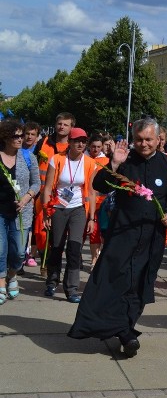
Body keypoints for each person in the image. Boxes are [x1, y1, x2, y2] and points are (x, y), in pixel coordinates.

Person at [68, 119, 167, 357]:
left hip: (152, 236)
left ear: (158, 139)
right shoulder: (125, 161)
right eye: (139, 139)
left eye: (148, 139)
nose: (143, 144)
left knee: (141, 283)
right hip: (123, 233)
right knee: (117, 280)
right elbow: (100, 185)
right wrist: (115, 164)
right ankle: (124, 332)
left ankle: (126, 327)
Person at [41, 127, 98, 303]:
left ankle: (72, 289)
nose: (80, 144)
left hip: (78, 209)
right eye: (76, 141)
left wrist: (91, 218)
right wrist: (46, 212)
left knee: (74, 249)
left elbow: (91, 191)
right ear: (70, 143)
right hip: (58, 208)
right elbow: (48, 187)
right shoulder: (57, 159)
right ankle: (52, 282)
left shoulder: (90, 163)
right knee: (57, 247)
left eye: (83, 141)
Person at [0, 121, 40, 304]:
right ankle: (1, 282)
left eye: (21, 135)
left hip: (21, 213)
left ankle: (12, 274)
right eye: (15, 136)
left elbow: (36, 183)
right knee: (0, 250)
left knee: (18, 253)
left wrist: (26, 198)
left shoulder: (28, 157)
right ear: (5, 137)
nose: (20, 139)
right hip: (0, 211)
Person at [33, 112, 75, 271]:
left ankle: (51, 263)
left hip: (64, 197)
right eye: (59, 124)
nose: (61, 127)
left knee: (58, 232)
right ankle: (45, 255)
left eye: (65, 124)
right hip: (42, 194)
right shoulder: (43, 143)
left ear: (72, 127)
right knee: (42, 232)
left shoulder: (74, 147)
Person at [85, 133, 110, 270]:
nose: (96, 149)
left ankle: (101, 258)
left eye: (99, 147)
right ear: (89, 146)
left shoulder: (106, 161)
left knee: (104, 232)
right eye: (93, 146)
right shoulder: (84, 159)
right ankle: (94, 259)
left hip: (103, 203)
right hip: (87, 202)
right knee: (93, 233)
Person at [20, 121, 40, 268]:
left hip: (37, 190)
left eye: (33, 134)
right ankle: (21, 254)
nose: (29, 137)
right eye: (27, 133)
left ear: (37, 136)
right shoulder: (17, 148)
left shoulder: (38, 151)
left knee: (34, 225)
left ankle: (30, 253)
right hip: (22, 193)